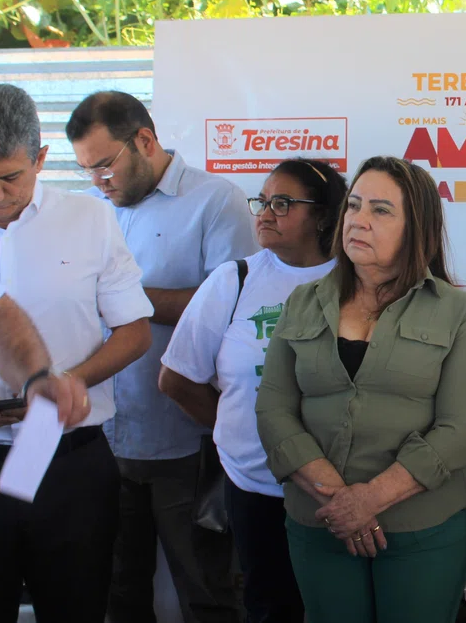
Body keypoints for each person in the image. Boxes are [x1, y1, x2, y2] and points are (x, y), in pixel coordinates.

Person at [255, 156, 466, 623]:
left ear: (415, 226)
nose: (359, 220)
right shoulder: (302, 302)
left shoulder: (456, 311)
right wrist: (341, 502)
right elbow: (273, 411)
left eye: (381, 210)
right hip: (321, 526)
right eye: (354, 205)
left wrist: (369, 501)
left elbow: (459, 430)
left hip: (423, 532)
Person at [0, 82, 154, 622]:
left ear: (40, 158)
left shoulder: (89, 220)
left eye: (9, 178)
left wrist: (69, 382)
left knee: (79, 609)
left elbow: (134, 331)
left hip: (71, 463)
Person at [67, 90, 255, 622]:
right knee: (117, 590)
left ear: (145, 141)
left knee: (206, 593)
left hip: (185, 441)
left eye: (104, 165)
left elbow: (233, 307)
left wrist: (125, 300)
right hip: (103, 435)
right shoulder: (90, 213)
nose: (98, 181)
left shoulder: (217, 200)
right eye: (86, 171)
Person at [160, 159, 347, 623]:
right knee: (270, 605)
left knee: (338, 606)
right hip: (258, 487)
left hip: (341, 489)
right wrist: (246, 431)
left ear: (323, 216)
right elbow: (177, 380)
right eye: (262, 201)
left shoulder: (358, 283)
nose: (264, 212)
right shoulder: (234, 281)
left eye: (282, 203)